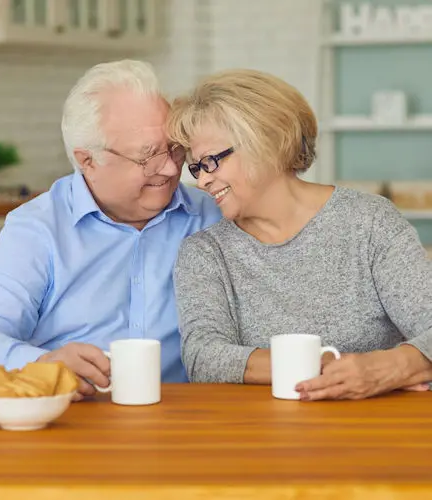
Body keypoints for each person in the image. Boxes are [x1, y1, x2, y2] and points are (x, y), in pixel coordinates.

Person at [0, 60, 221, 400]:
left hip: (184, 416)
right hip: (74, 422)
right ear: (87, 160)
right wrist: (43, 363)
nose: (169, 168)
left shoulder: (211, 214)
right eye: (147, 155)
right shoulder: (38, 229)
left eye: (174, 148)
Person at [169, 68, 432, 400]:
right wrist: (320, 365)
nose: (202, 180)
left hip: (375, 430)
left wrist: (389, 369)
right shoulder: (205, 253)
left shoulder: (369, 222)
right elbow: (204, 358)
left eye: (210, 161)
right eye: (195, 167)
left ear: (266, 142)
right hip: (260, 434)